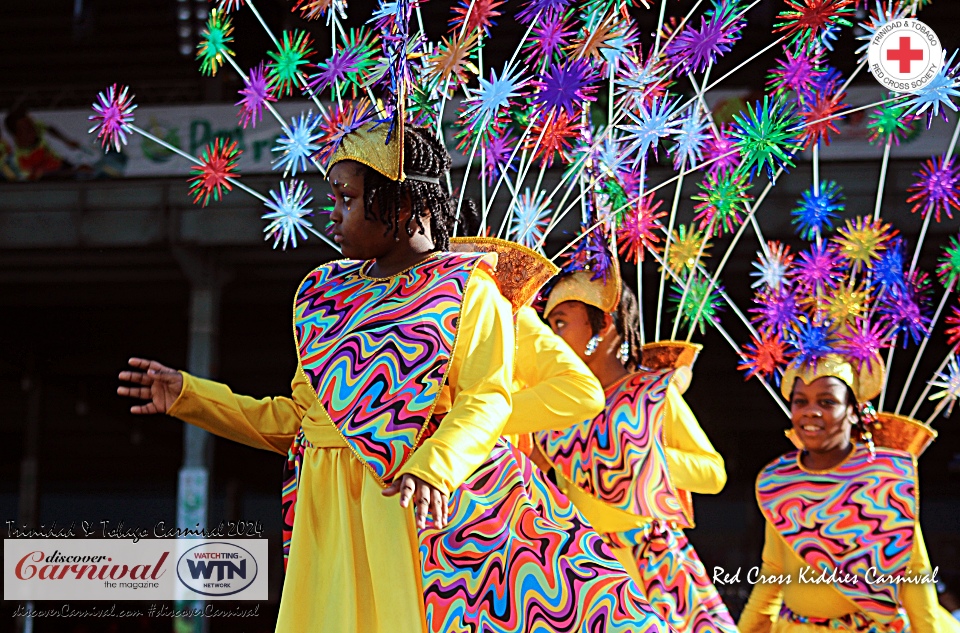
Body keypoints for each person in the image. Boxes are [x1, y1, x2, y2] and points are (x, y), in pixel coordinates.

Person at [118, 120, 671, 633]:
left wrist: (433, 464)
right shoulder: (323, 294)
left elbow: (487, 398)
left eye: (347, 199)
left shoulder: (467, 288)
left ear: (402, 203)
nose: (330, 213)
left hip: (408, 509)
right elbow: (300, 422)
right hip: (324, 521)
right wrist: (191, 397)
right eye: (332, 198)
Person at [536, 268, 738, 633]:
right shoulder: (559, 404)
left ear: (603, 323)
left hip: (654, 571)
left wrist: (642, 453)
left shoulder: (653, 393)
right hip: (586, 572)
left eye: (561, 323)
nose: (552, 337)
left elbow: (713, 474)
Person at [737, 353, 960, 633]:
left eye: (827, 402)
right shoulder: (778, 481)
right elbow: (773, 570)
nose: (811, 411)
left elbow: (914, 572)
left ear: (854, 411)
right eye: (800, 401)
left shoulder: (884, 478)